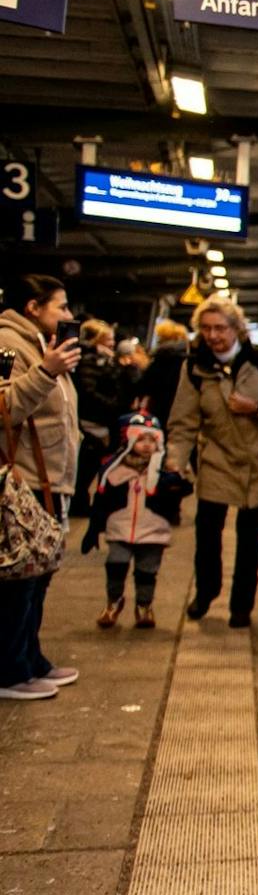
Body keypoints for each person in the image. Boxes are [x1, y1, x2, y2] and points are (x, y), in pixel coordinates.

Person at [164, 296, 258, 629]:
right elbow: (183, 422)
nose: (213, 336)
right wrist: (175, 461)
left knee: (250, 538)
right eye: (206, 329)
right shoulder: (194, 367)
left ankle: (242, 605)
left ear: (236, 328)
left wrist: (256, 407)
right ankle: (207, 591)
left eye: (220, 328)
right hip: (218, 461)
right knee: (207, 534)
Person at [0, 276, 84, 700]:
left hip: (50, 479)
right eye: (62, 307)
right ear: (34, 306)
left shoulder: (41, 344)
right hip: (24, 480)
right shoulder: (7, 343)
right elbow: (4, 407)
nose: (69, 317)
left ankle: (31, 660)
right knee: (20, 578)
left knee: (39, 574)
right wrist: (46, 371)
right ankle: (10, 672)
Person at [82, 412, 189, 629]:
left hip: (153, 530)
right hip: (119, 527)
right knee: (115, 564)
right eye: (141, 439)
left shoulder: (162, 471)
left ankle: (144, 606)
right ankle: (113, 601)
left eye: (152, 439)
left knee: (146, 571)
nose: (147, 445)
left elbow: (183, 490)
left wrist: (174, 476)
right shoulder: (114, 469)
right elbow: (101, 500)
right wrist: (93, 528)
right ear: (128, 439)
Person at [70, 318, 122, 515]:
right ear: (95, 340)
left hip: (97, 419)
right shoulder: (89, 360)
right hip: (91, 420)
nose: (112, 343)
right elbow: (88, 391)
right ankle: (79, 503)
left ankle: (80, 502)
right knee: (87, 465)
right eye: (107, 339)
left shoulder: (102, 359)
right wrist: (113, 406)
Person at [128, 320, 190, 422]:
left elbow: (146, 384)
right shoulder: (188, 357)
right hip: (181, 408)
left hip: (160, 407)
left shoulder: (162, 356)